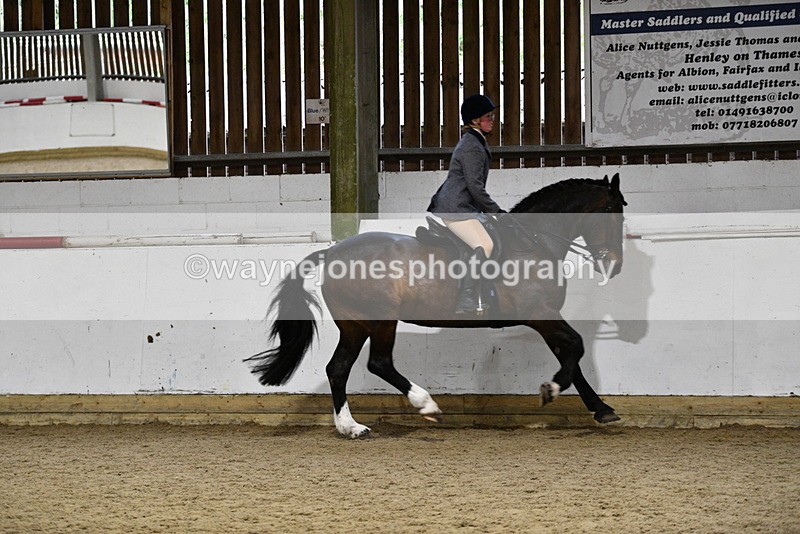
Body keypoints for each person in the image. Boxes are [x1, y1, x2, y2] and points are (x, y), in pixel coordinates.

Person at [427, 94, 506, 314]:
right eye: (487, 117)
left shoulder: (476, 141)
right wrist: (496, 211)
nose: (492, 120)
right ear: (474, 121)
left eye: (491, 116)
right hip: (455, 208)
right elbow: (475, 187)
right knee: (485, 246)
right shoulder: (472, 146)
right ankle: (467, 298)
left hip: (464, 207)